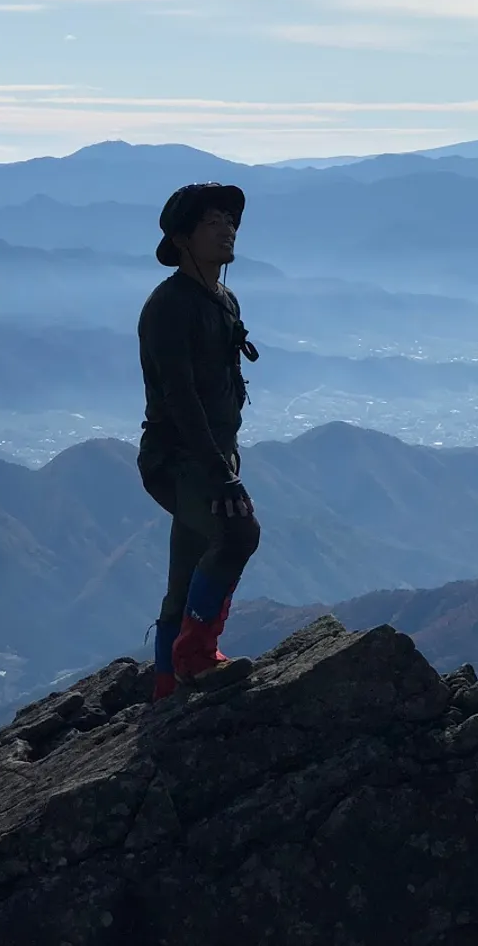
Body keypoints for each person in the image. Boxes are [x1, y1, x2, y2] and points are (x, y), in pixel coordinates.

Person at [137, 182, 262, 700]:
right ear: (183, 238)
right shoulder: (169, 307)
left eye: (230, 222)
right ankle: (193, 657)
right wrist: (221, 472)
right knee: (237, 534)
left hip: (210, 457)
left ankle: (168, 684)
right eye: (213, 223)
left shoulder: (223, 299)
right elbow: (181, 398)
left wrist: (224, 460)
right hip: (178, 460)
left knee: (187, 572)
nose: (228, 229)